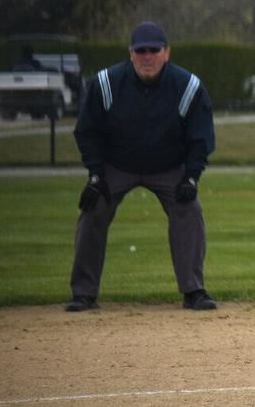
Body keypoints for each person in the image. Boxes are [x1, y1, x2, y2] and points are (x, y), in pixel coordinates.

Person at [66, 21, 217, 312]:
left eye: (154, 50)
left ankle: (194, 290)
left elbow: (201, 137)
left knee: (189, 210)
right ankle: (83, 293)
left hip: (168, 166)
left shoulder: (188, 86)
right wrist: (96, 174)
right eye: (141, 50)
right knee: (93, 209)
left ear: (167, 53)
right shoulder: (106, 83)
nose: (147, 56)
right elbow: (87, 131)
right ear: (131, 53)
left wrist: (191, 177)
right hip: (117, 164)